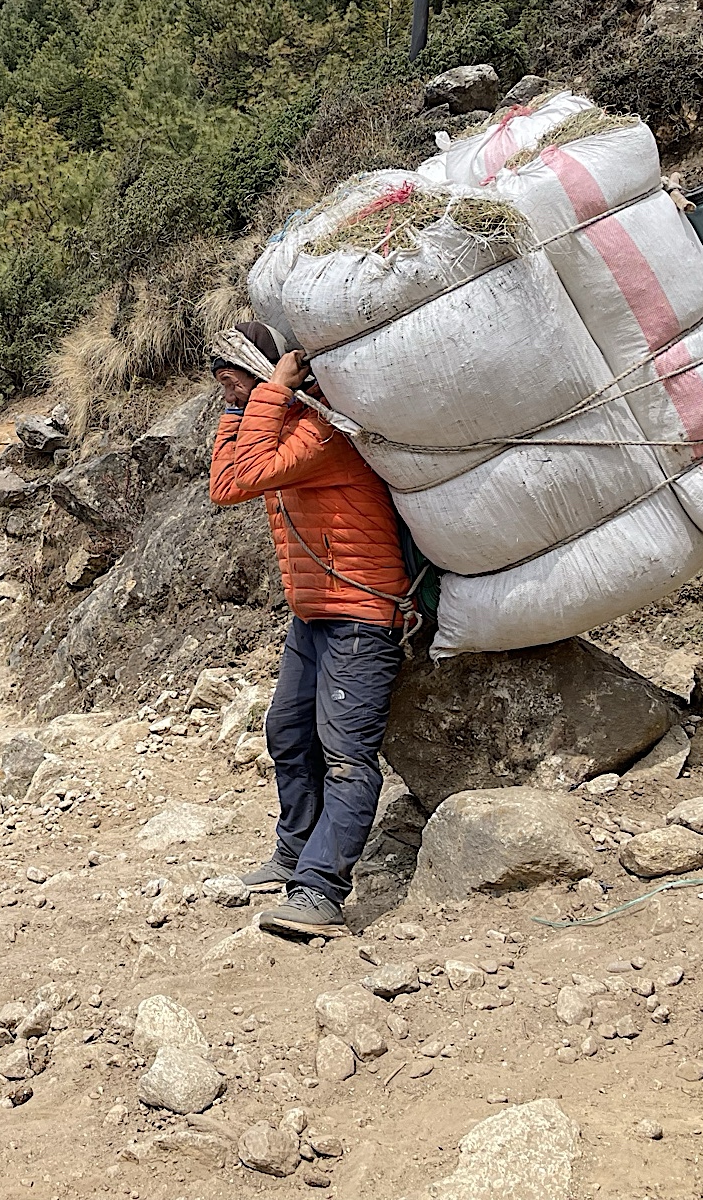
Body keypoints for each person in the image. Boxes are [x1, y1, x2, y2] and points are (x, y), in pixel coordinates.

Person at [207, 321, 413, 941]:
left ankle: (321, 893)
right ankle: (294, 854)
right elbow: (225, 476)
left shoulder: (323, 432)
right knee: (287, 732)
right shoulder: (272, 426)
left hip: (360, 613)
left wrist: (267, 392)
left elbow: (237, 480)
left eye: (236, 371)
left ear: (277, 373)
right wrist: (239, 405)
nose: (224, 381)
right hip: (314, 612)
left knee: (347, 756)